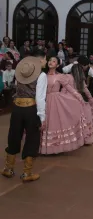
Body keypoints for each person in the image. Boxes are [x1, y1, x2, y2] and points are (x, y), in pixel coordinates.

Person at [1, 51, 47, 182]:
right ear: (40, 60)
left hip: (17, 108)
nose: (45, 62)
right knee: (32, 138)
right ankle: (27, 173)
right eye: (45, 59)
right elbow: (40, 97)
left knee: (14, 136)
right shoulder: (42, 75)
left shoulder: (20, 72)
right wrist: (42, 117)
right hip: (31, 109)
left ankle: (8, 169)